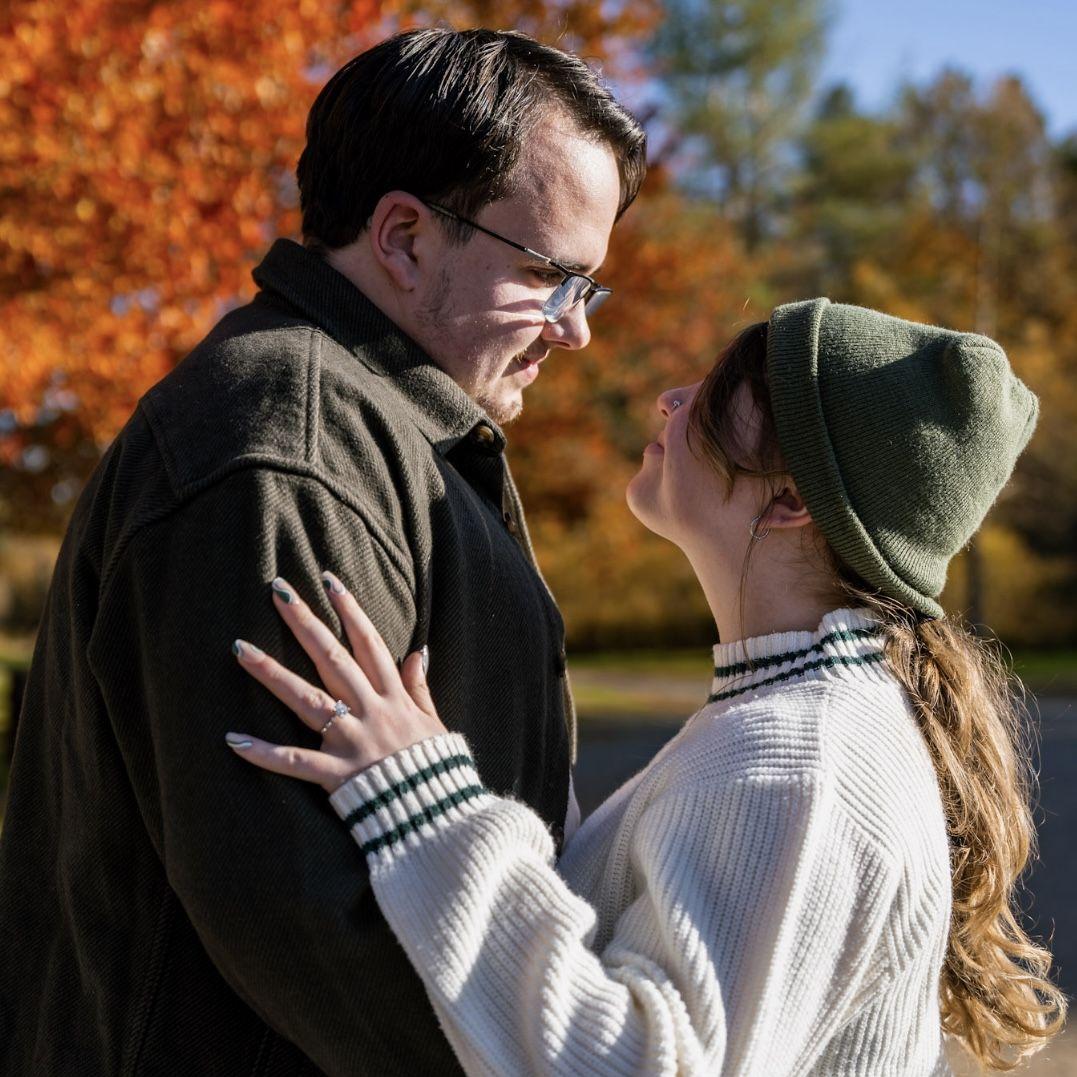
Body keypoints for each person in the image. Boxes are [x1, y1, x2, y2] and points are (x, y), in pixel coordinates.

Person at [0, 28, 645, 1076]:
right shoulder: (289, 457)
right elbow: (305, 911)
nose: (575, 331)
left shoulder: (383, 429)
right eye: (552, 278)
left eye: (590, 290)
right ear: (403, 237)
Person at [227, 299, 1066, 1075]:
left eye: (720, 390)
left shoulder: (797, 759)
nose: (671, 397)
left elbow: (645, 1061)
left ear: (788, 502)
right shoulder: (803, 719)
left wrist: (425, 806)